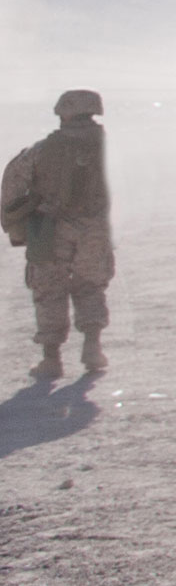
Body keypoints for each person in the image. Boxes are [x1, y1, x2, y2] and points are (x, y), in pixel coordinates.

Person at [4, 90, 114, 381]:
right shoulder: (108, 146)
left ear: (64, 112)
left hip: (49, 230)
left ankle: (51, 360)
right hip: (95, 229)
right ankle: (93, 348)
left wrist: (16, 222)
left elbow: (11, 187)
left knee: (48, 290)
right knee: (90, 286)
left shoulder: (42, 150)